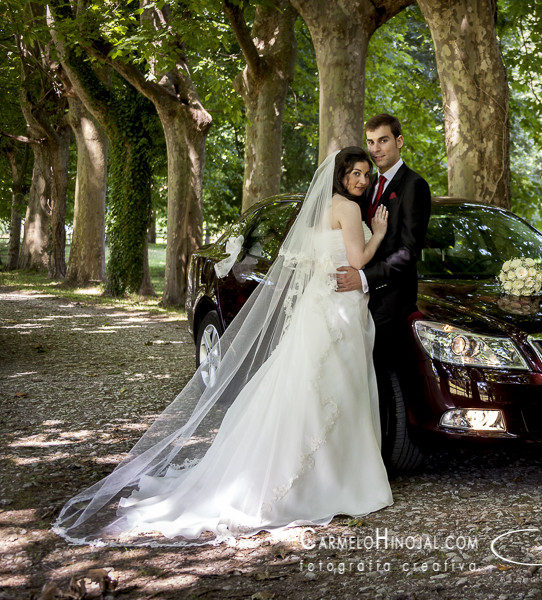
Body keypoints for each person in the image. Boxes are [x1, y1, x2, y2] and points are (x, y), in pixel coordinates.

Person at [53, 147, 394, 546]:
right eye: (355, 173)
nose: (362, 180)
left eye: (366, 174)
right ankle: (336, 481)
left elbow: (312, 261)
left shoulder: (319, 209)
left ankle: (322, 473)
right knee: (335, 389)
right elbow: (356, 259)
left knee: (310, 390)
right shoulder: (351, 211)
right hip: (338, 311)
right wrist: (381, 233)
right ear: (340, 175)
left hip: (319, 311)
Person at [335, 114, 432, 470]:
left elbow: (406, 252)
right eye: (371, 142)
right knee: (347, 376)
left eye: (384, 141)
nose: (376, 149)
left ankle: (373, 465)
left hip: (390, 301)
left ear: (400, 142)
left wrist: (363, 280)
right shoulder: (365, 183)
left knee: (374, 380)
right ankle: (345, 458)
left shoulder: (413, 186)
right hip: (352, 301)